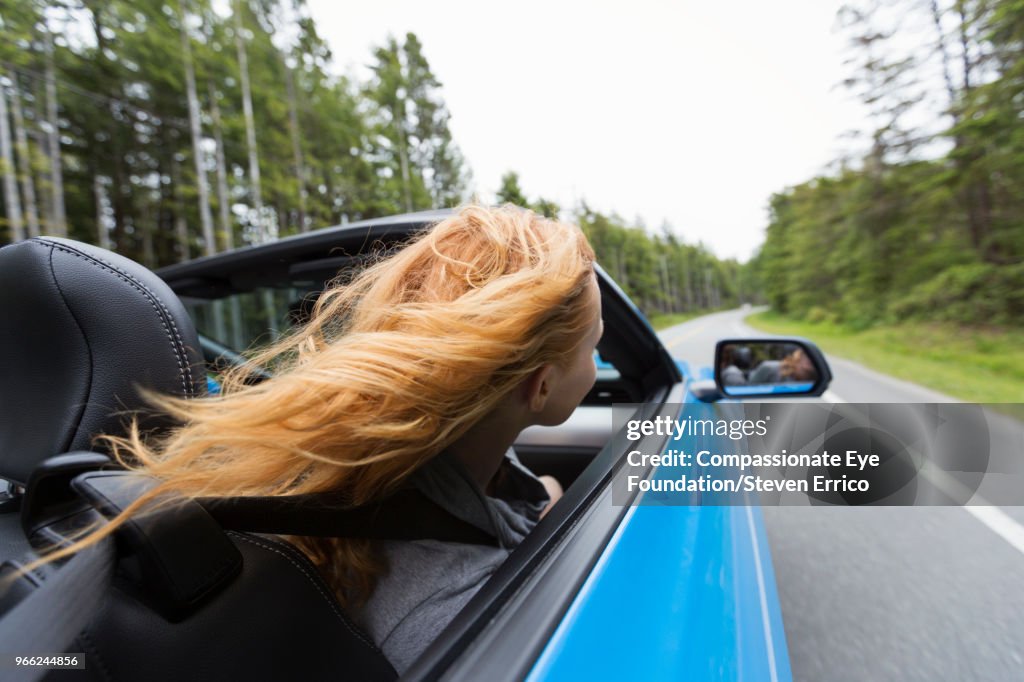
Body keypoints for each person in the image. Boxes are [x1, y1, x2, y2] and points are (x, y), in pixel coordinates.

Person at [35, 204, 601, 674]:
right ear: (541, 387)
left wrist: (547, 501)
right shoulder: (452, 606)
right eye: (593, 348)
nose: (595, 362)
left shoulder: (406, 464)